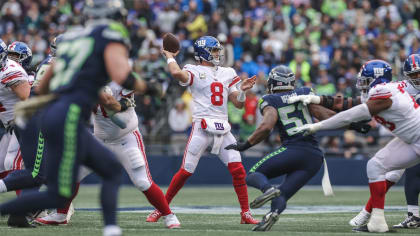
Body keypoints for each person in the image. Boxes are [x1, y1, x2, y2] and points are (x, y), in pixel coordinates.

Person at [0, 1, 149, 235]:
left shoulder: (69, 44)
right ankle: (110, 228)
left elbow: (42, 86)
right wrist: (148, 88)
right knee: (44, 178)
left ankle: (109, 228)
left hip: (46, 117)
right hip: (64, 117)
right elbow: (120, 81)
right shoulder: (105, 39)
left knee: (54, 184)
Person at [288, 56, 420, 229]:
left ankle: (375, 215)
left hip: (415, 137)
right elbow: (346, 103)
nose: (362, 84)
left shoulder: (383, 93)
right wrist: (315, 99)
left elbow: (352, 114)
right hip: (413, 139)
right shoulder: (384, 90)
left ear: (376, 78)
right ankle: (377, 221)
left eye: (365, 80)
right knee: (376, 166)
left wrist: (318, 126)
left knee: (384, 168)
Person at [36, 81, 180, 229]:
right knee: (72, 173)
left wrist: (110, 106)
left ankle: (169, 215)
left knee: (142, 181)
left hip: (126, 138)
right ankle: (61, 214)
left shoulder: (121, 80)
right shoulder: (87, 80)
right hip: (99, 140)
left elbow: (122, 122)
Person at [146, 36, 259, 224]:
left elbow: (238, 105)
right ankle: (161, 209)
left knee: (238, 170)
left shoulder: (228, 72)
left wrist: (243, 91)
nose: (218, 53)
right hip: (202, 126)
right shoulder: (193, 69)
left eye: (217, 50)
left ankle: (245, 213)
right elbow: (176, 73)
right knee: (186, 171)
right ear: (203, 53)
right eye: (214, 50)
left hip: (223, 127)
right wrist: (170, 57)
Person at [225, 65, 335, 231]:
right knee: (282, 193)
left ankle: (268, 189)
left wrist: (245, 145)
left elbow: (266, 127)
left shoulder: (270, 100)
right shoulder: (304, 92)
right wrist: (353, 123)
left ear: (273, 83)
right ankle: (273, 214)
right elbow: (324, 115)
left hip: (294, 149)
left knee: (253, 175)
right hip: (314, 157)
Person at [0, 38, 31, 187]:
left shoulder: (10, 71)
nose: (13, 58)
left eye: (16, 55)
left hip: (22, 122)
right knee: (3, 162)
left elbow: (28, 99)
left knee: (12, 162)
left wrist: (19, 119)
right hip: (9, 125)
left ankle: (33, 208)